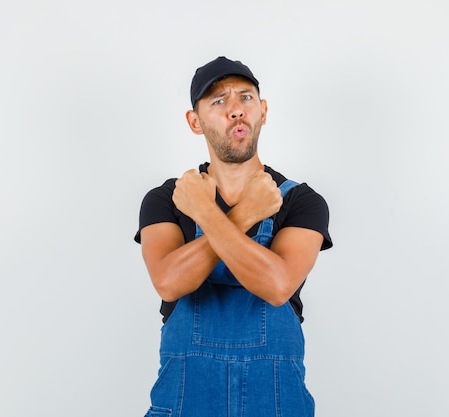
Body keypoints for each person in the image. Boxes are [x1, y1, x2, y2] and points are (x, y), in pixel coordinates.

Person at [134, 56, 333, 417]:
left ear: (263, 110)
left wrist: (207, 213)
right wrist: (246, 214)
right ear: (195, 122)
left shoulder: (301, 202)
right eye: (219, 101)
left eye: (246, 97)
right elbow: (168, 282)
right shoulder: (167, 200)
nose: (236, 110)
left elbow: (276, 285)